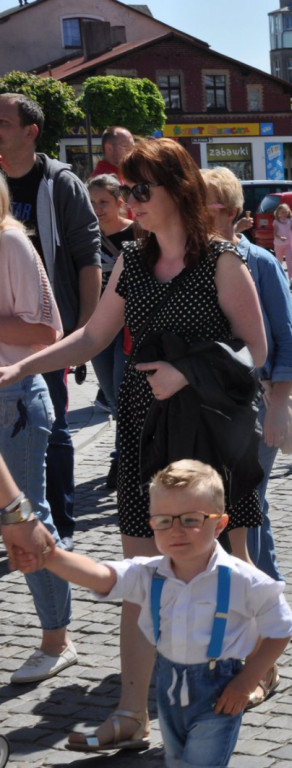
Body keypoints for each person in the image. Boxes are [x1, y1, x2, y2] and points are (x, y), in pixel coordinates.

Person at [0, 137, 267, 751]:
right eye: (125, 190)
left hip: (210, 431)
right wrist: (23, 367)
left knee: (227, 563)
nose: (130, 202)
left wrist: (188, 372)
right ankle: (130, 714)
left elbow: (257, 351)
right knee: (144, 576)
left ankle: (254, 666)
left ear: (179, 189)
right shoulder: (132, 260)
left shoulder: (223, 261)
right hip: (145, 428)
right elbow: (92, 336)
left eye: (141, 190)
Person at [26, 459, 292, 767]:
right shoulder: (149, 573)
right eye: (164, 520)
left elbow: (282, 628)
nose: (176, 530)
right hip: (168, 688)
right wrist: (51, 556)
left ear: (220, 524)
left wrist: (247, 680)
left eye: (191, 519)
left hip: (220, 691)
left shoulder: (244, 579)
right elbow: (101, 576)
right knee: (176, 760)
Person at [0, 92, 102, 552]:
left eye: (3, 123)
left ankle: (59, 526)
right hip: (6, 330)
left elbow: (88, 257)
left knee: (54, 427)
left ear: (30, 132)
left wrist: (85, 330)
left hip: (46, 332)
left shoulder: (59, 182)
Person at [201, 167, 292, 594]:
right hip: (212, 406)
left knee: (246, 501)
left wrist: (278, 408)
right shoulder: (193, 262)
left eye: (202, 203)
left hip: (259, 403)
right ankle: (267, 589)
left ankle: (255, 597)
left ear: (227, 210)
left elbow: (287, 341)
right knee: (246, 504)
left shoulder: (259, 262)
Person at [0, 174, 78, 685]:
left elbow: (47, 332)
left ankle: (58, 639)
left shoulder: (9, 240)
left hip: (15, 401)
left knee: (26, 518)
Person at [87, 174, 134, 488]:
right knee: (112, 397)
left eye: (103, 202)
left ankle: (123, 458)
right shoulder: (86, 235)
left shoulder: (138, 232)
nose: (97, 209)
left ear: (119, 202)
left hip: (129, 327)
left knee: (122, 392)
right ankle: (126, 453)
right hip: (99, 326)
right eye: (92, 203)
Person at [272, 202, 292, 288]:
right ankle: (278, 277)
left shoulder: (290, 221)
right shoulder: (276, 222)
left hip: (288, 244)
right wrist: (280, 237)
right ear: (278, 213)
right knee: (279, 262)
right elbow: (275, 233)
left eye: (286, 212)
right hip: (279, 245)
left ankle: (291, 278)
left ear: (288, 212)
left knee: (289, 261)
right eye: (282, 212)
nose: (284, 214)